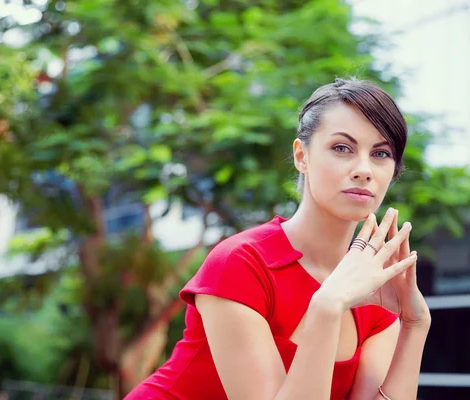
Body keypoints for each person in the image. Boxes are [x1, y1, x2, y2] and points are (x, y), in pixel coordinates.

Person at [125, 78, 431, 400]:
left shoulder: (374, 284)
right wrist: (327, 306)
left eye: (381, 153)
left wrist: (414, 323)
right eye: (342, 148)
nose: (363, 169)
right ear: (302, 156)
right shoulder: (242, 262)